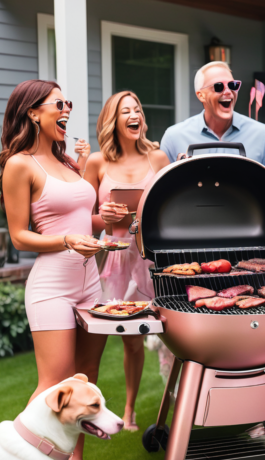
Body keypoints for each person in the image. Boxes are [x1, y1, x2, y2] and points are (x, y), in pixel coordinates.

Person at [0, 80, 110, 460]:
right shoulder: (20, 164)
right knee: (54, 385)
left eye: (69, 103)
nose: (67, 110)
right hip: (53, 287)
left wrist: (106, 217)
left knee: (87, 381)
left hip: (90, 283)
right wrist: (65, 240)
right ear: (33, 112)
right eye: (59, 104)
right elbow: (19, 235)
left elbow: (83, 219)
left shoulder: (67, 162)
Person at [85, 91, 171, 430]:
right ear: (113, 121)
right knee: (129, 339)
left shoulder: (158, 158)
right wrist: (104, 217)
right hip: (117, 257)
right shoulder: (97, 163)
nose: (134, 114)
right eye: (126, 111)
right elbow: (83, 217)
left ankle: (177, 399)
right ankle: (130, 410)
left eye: (137, 108)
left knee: (171, 329)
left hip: (152, 258)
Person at [160, 61, 265, 166]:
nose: (229, 92)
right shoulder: (174, 137)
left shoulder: (262, 135)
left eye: (232, 85)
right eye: (218, 86)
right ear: (201, 95)